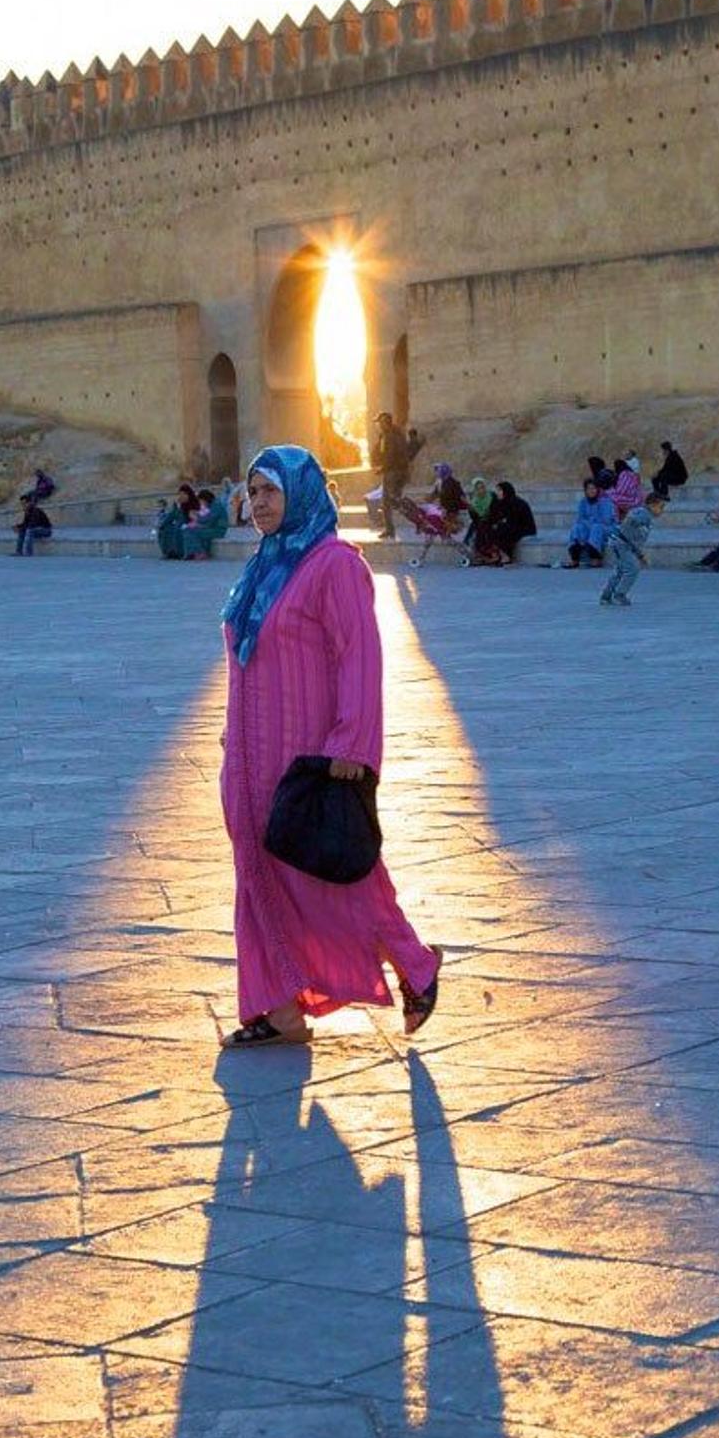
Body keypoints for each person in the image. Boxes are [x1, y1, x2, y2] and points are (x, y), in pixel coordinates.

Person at [219, 444, 442, 1045]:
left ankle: (415, 965)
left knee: (335, 876)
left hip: (311, 757)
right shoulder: (265, 567)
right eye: (254, 491)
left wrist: (354, 744)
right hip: (248, 757)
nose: (258, 503)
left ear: (302, 493)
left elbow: (359, 659)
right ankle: (276, 1005)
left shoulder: (334, 564)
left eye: (270, 491)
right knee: (256, 871)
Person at [599, 491, 666, 605]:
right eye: (661, 507)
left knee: (620, 571)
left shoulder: (646, 516)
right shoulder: (643, 513)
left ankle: (606, 596)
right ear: (651, 505)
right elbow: (631, 519)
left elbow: (636, 540)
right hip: (621, 544)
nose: (662, 510)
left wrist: (640, 555)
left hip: (623, 544)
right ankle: (619, 595)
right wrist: (633, 520)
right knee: (632, 569)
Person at [372, 411, 410, 539]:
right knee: (390, 501)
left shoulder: (390, 436)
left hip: (393, 472)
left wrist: (382, 468)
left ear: (385, 423)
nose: (378, 425)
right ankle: (390, 529)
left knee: (387, 501)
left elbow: (390, 455)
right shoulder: (392, 434)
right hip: (396, 471)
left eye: (380, 423)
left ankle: (391, 529)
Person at [564, 478, 617, 567]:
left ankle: (596, 557)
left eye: (593, 488)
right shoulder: (583, 502)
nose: (591, 491)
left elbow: (606, 520)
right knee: (577, 527)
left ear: (597, 490)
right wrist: (587, 524)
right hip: (589, 527)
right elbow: (580, 518)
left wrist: (589, 523)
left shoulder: (605, 502)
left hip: (606, 528)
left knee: (596, 528)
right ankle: (575, 557)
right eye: (589, 489)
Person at [488, 480, 537, 565]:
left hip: (524, 527)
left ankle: (506, 555)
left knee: (504, 529)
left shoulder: (517, 503)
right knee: (488, 528)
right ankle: (495, 555)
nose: (498, 493)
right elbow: (493, 516)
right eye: (497, 490)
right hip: (509, 525)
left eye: (500, 490)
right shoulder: (499, 502)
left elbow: (515, 521)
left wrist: (500, 522)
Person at [182, 486, 229, 559]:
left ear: (205, 499)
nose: (201, 503)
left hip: (218, 530)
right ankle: (191, 553)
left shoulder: (216, 505)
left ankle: (200, 552)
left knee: (191, 531)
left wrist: (196, 518)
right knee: (188, 530)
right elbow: (206, 518)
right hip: (211, 528)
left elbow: (209, 520)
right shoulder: (212, 505)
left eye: (201, 501)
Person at [464, 477, 501, 565]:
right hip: (479, 521)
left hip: (492, 520)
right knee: (476, 530)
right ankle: (480, 556)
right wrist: (473, 510)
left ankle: (493, 556)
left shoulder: (491, 496)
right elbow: (474, 517)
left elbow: (497, 511)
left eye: (482, 487)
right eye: (478, 488)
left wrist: (487, 517)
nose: (481, 490)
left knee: (486, 530)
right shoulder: (474, 500)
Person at [157, 483, 199, 558]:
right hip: (179, 525)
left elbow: (194, 518)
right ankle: (168, 552)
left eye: (184, 494)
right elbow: (171, 516)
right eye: (180, 494)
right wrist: (162, 525)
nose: (181, 496)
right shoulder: (178, 505)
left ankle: (180, 553)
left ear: (189, 495)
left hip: (189, 525)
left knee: (179, 529)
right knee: (165, 529)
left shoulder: (194, 503)